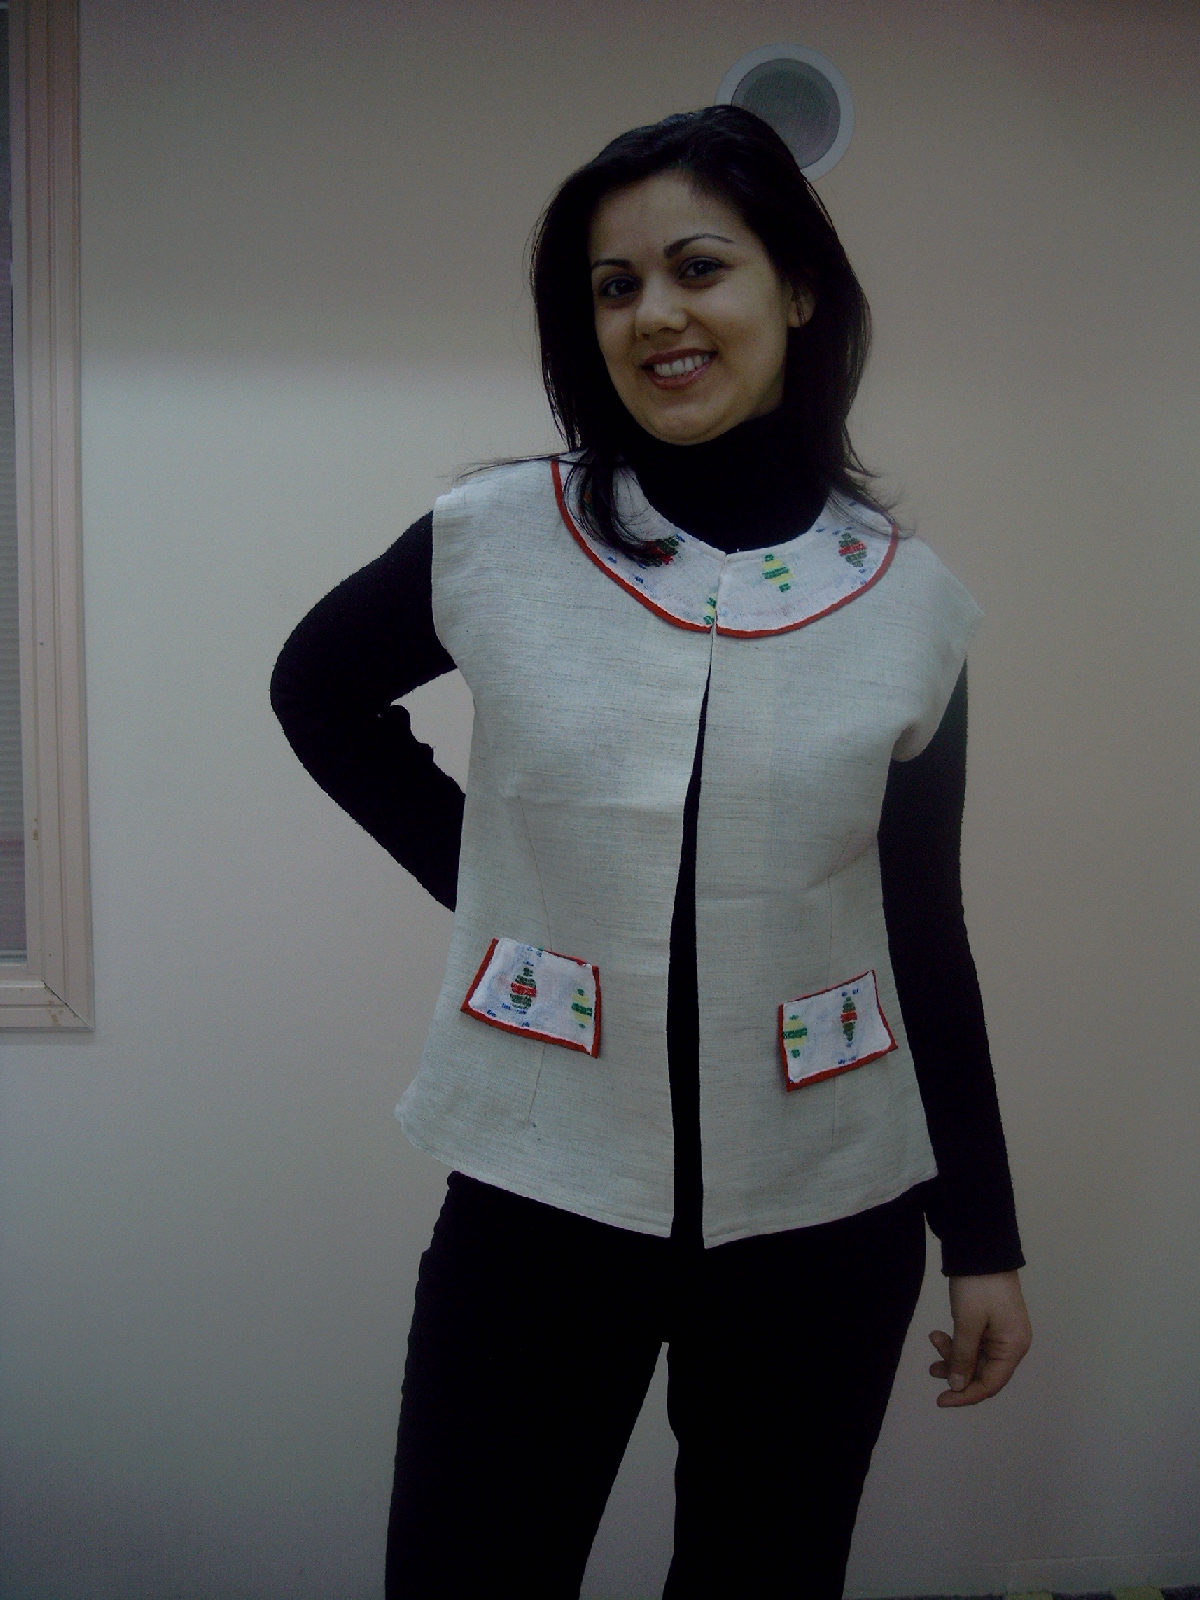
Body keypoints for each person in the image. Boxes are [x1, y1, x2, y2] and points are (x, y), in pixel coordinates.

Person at [271, 106, 1032, 1600]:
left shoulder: (908, 603)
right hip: (542, 1184)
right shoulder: (501, 536)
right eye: (615, 287)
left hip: (827, 1209)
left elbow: (923, 932)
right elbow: (318, 693)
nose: (656, 315)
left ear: (796, 289)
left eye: (698, 267)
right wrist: (496, 888)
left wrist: (983, 1235)